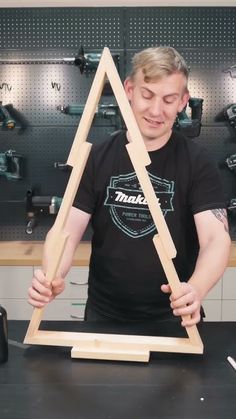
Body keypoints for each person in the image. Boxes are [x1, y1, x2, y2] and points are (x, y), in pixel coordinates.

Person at [28, 46, 231, 327]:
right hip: (104, 317)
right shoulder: (97, 158)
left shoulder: (197, 163)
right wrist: (52, 275)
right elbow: (66, 230)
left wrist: (195, 288)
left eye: (169, 99)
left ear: (184, 101)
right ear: (129, 90)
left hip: (174, 318)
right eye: (147, 95)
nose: (156, 110)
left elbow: (215, 239)